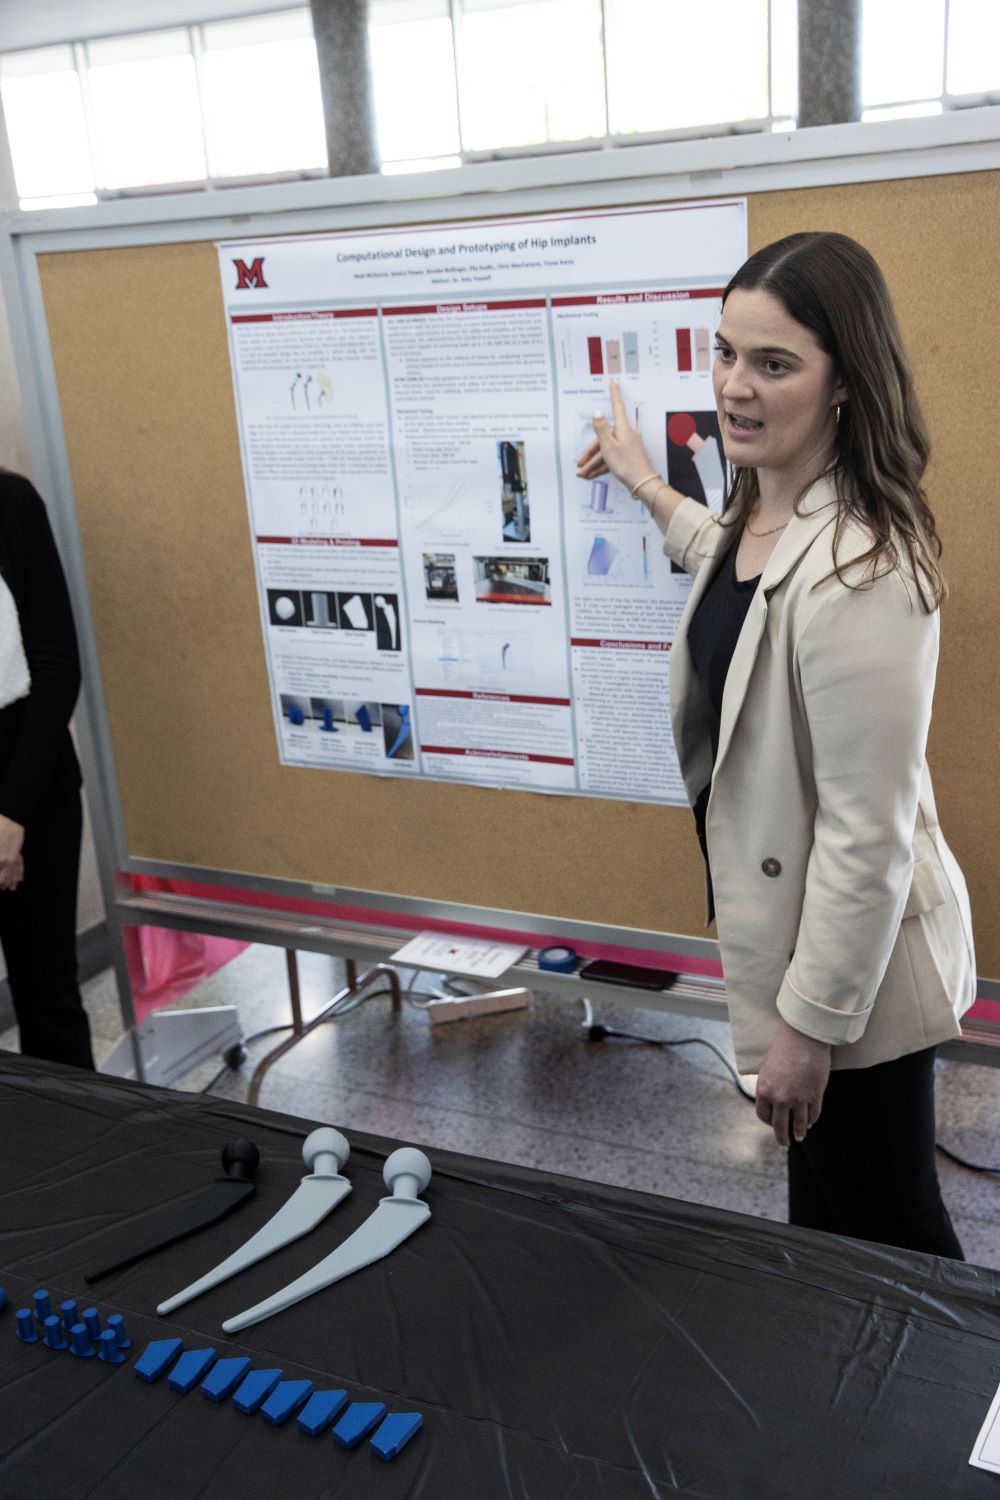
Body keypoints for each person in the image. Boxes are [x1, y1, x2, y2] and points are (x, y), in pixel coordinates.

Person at [577, 232, 975, 1257]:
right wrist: (643, 483)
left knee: (886, 1235)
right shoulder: (763, 510)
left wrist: (806, 1029)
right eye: (724, 354)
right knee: (831, 1230)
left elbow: (865, 834)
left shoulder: (866, 569)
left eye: (774, 364)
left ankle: (958, 1411)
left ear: (846, 382)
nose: (734, 388)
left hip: (855, 982)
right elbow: (731, 568)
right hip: (807, 956)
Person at [0, 469, 94, 1070]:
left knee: (49, 1007)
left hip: (33, 788)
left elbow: (58, 666)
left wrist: (12, 813)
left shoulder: (12, 503)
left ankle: (83, 1162)